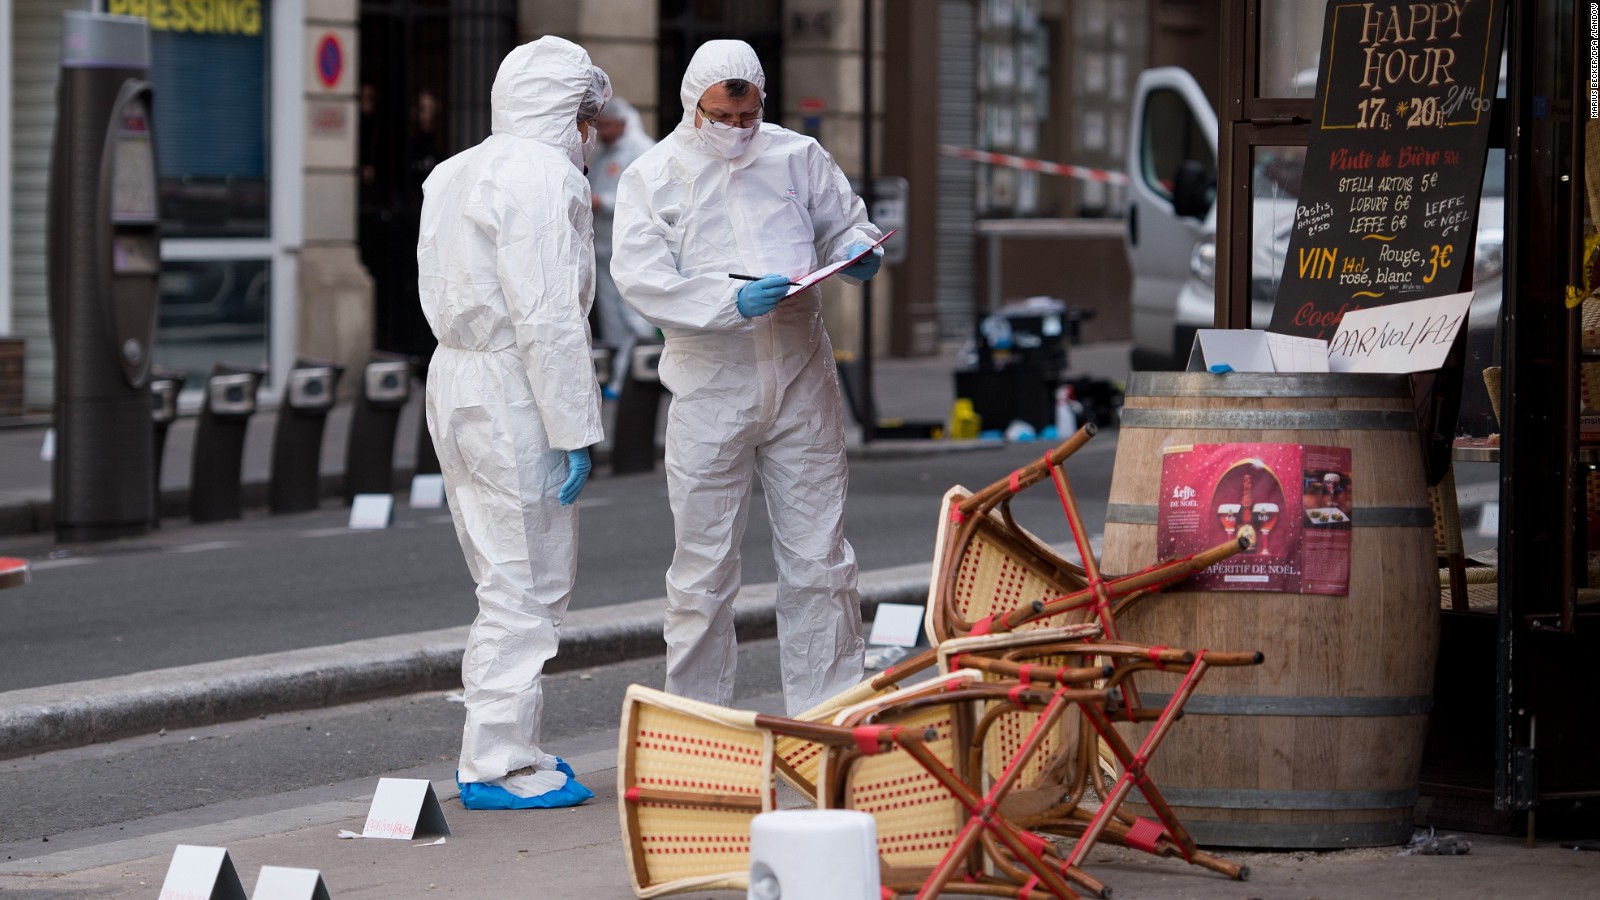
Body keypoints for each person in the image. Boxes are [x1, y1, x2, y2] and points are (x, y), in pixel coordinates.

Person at [611, 39, 884, 716]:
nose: (735, 130)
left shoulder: (798, 156)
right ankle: (699, 728)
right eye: (720, 116)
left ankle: (829, 717)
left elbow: (847, 224)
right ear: (691, 105)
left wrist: (855, 250)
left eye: (747, 116)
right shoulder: (654, 176)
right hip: (710, 383)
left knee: (821, 561)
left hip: (800, 374)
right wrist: (727, 304)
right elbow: (641, 280)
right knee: (703, 571)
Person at [415, 35, 610, 810]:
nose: (593, 132)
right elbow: (547, 316)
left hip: (454, 376)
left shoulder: (452, 170)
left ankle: (512, 741)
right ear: (569, 114)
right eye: (588, 116)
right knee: (525, 585)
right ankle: (496, 761)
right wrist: (575, 430)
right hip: (512, 388)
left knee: (500, 570)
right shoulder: (544, 176)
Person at [585, 97, 657, 398]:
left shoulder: (641, 149)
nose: (602, 131)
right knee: (612, 319)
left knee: (633, 316)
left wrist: (603, 202)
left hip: (629, 249)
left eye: (606, 125)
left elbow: (646, 200)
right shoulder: (606, 153)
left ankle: (639, 375)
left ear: (621, 123)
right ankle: (617, 379)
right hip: (604, 248)